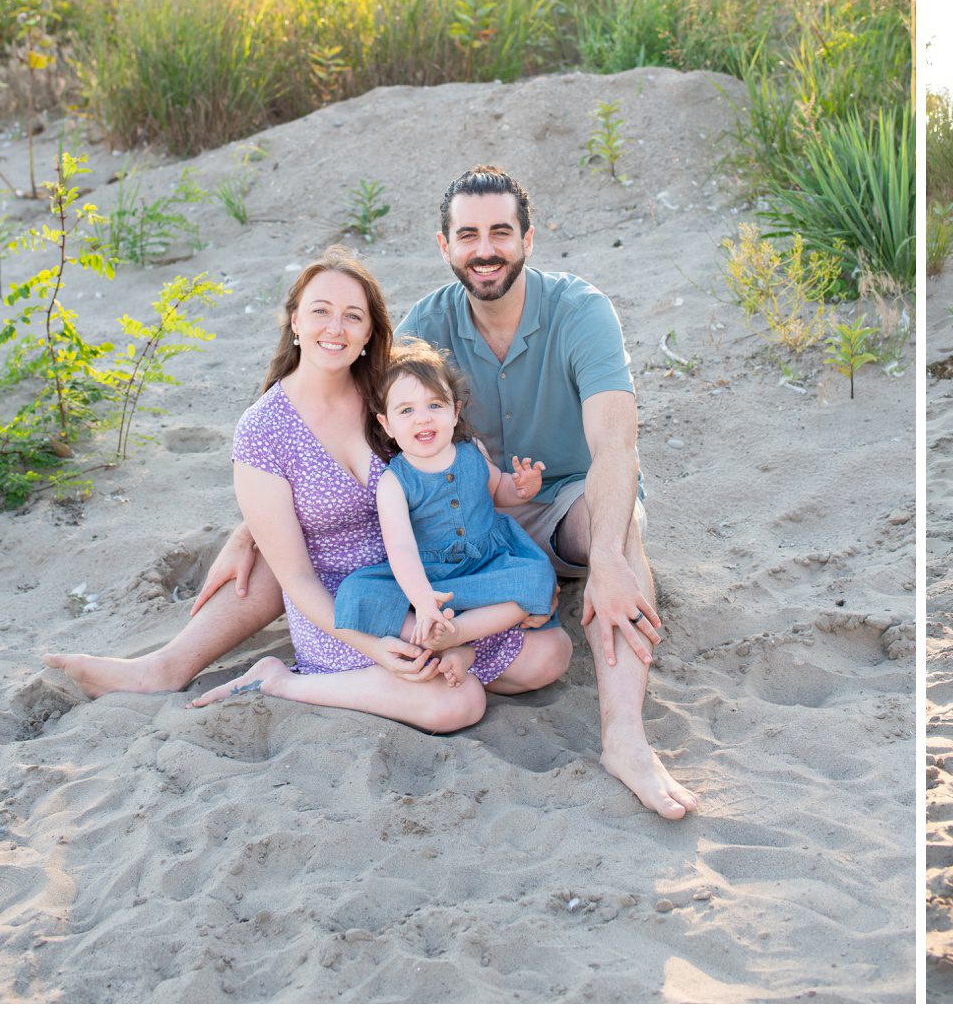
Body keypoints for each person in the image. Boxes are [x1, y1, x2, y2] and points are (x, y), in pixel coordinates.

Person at [46, 169, 694, 819]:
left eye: (501, 231)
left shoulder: (579, 312)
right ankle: (168, 666)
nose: (485, 248)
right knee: (294, 543)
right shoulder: (424, 328)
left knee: (620, 529)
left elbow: (616, 446)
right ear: (444, 247)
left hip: (548, 509)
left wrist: (606, 555)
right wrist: (247, 528)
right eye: (467, 235)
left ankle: (626, 738)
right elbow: (318, 437)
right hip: (446, 528)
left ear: (529, 237)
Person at [47, 249, 571, 728]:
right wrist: (371, 644)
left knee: (551, 654)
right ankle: (285, 680)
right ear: (295, 320)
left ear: (371, 333)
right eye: (320, 311)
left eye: (353, 316)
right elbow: (294, 577)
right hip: (343, 604)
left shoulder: (392, 397)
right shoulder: (264, 428)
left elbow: (458, 472)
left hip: (428, 575)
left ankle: (454, 656)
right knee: (456, 705)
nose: (335, 328)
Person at [331, 338, 560, 687]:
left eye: (434, 405)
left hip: (489, 563)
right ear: (387, 425)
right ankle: (452, 641)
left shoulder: (472, 450)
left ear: (454, 411)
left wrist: (522, 487)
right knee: (357, 593)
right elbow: (401, 549)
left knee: (538, 577)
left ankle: (457, 638)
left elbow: (497, 489)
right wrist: (423, 600)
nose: (422, 418)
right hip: (432, 577)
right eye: (406, 410)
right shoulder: (394, 482)